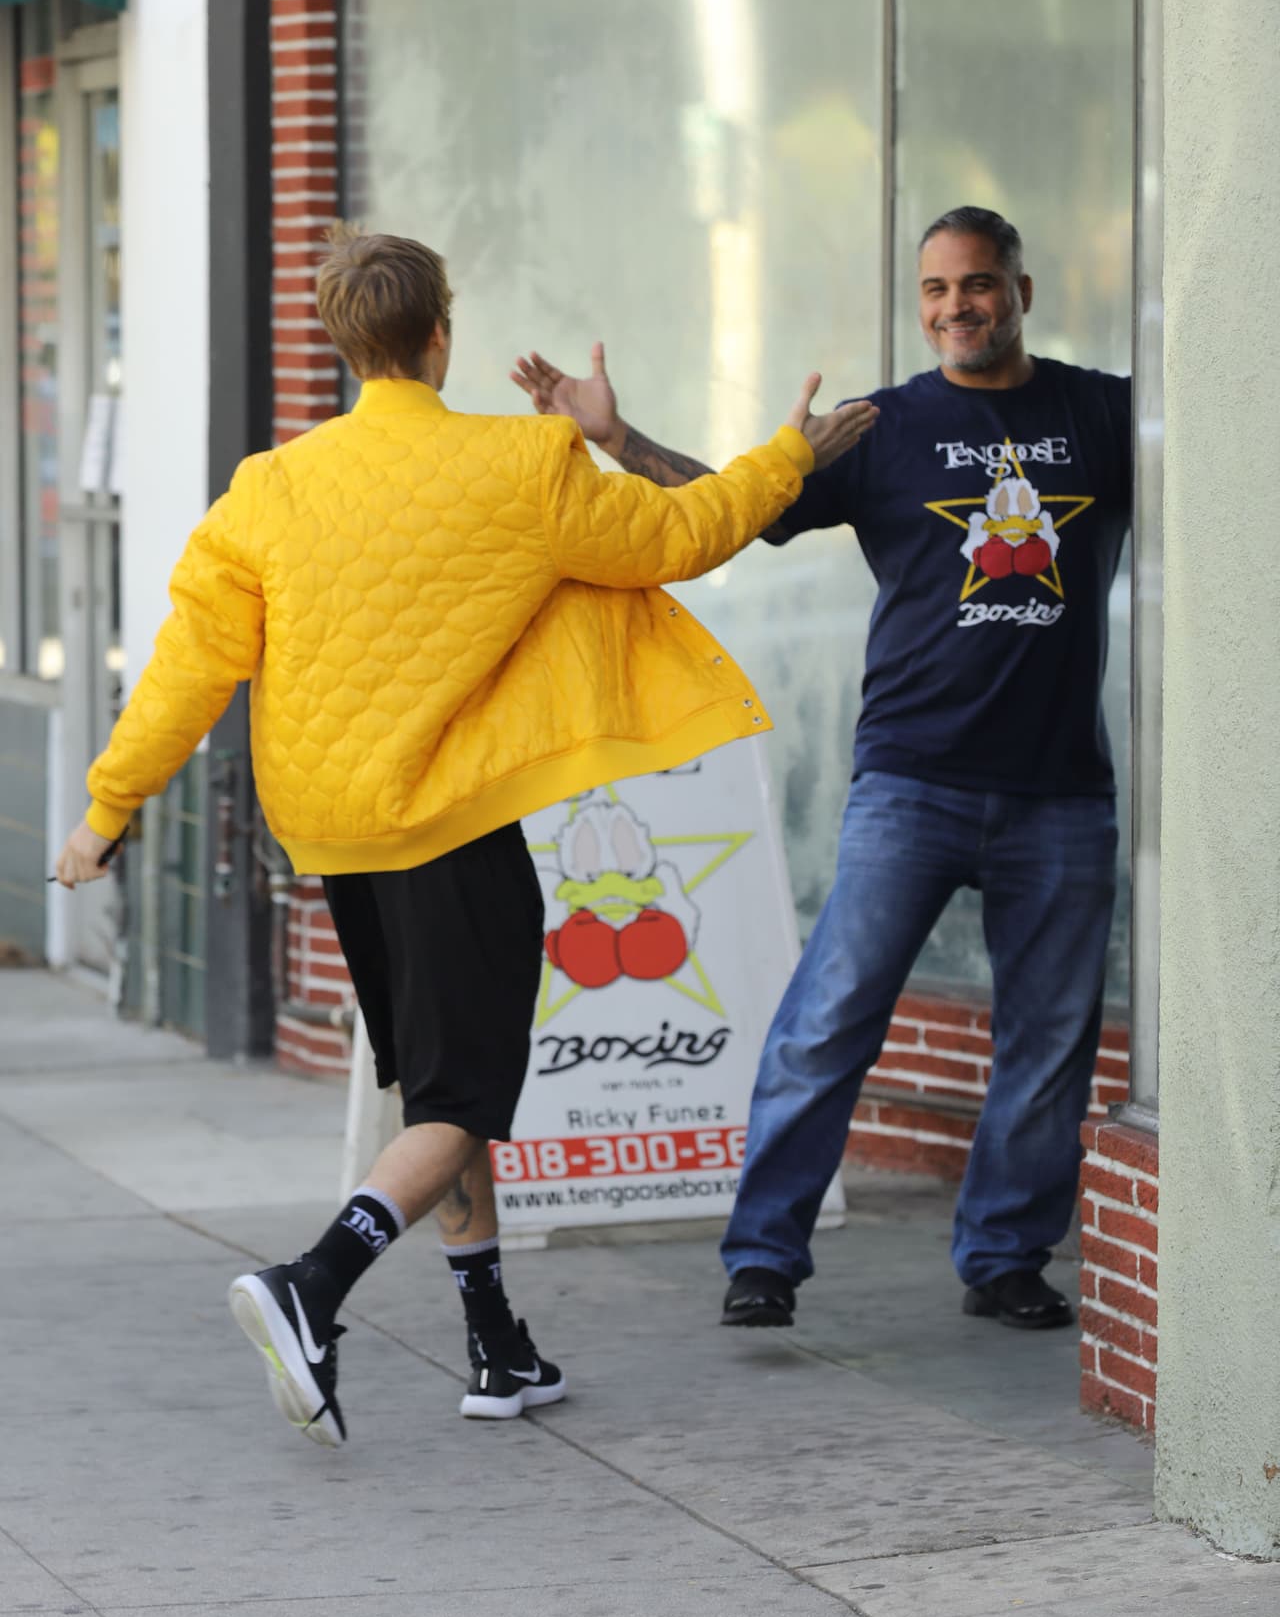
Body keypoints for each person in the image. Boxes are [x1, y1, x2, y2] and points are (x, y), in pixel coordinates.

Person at [54, 226, 877, 1446]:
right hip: (447, 827)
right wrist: (786, 455)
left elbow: (186, 673)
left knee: (432, 1088)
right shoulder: (521, 466)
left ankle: (498, 1349)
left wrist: (105, 812)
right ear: (441, 335)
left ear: (345, 347)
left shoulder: (267, 491)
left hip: (335, 835)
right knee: (464, 1099)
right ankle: (310, 1286)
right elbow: (684, 538)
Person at [511, 206, 1129, 1336]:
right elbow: (731, 510)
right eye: (936, 290)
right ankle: (762, 1257)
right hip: (911, 782)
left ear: (1020, 294)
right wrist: (613, 434)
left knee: (1047, 1041)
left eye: (979, 286)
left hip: (1060, 793)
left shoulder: (1099, 411)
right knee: (828, 1019)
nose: (956, 309)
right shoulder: (878, 426)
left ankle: (1003, 1259)